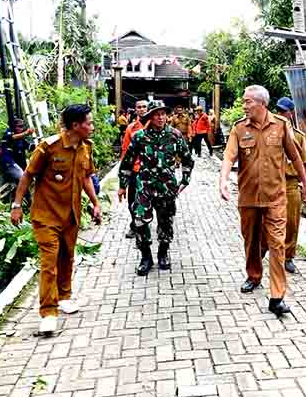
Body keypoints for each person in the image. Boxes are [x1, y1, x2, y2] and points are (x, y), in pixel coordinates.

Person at [219, 85, 306, 317]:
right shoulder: (239, 128)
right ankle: (254, 276)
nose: (244, 105)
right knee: (251, 241)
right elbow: (229, 156)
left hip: (275, 198)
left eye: (248, 101)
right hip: (248, 197)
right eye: (244, 101)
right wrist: (223, 180)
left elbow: (296, 157)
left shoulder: (281, 126)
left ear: (262, 103)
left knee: (277, 244)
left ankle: (277, 296)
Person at [10, 104, 101, 334]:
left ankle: (64, 296)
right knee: (49, 264)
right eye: (89, 123)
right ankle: (48, 312)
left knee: (67, 257)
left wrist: (95, 203)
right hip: (46, 216)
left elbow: (86, 177)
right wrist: (17, 205)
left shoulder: (86, 148)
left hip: (71, 214)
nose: (92, 126)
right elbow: (28, 175)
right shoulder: (48, 147)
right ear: (75, 125)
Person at [118, 100, 194, 276]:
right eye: (156, 114)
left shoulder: (175, 135)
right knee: (140, 221)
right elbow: (127, 162)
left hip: (167, 187)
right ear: (150, 117)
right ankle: (146, 257)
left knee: (165, 222)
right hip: (145, 186)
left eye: (163, 114)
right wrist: (122, 185)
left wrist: (185, 179)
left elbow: (187, 158)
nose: (160, 117)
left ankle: (163, 253)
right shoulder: (139, 137)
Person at [262, 97, 306, 274]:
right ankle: (263, 248)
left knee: (292, 222)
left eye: (284, 111)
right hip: (272, 183)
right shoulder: (268, 134)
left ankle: (288, 256)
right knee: (266, 220)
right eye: (279, 111)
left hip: (291, 183)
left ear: (291, 113)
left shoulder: (298, 136)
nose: (281, 114)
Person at [120, 99, 148, 239]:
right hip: (135, 170)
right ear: (135, 110)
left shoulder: (155, 125)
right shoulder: (131, 128)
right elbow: (125, 150)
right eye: (139, 107)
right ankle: (135, 225)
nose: (142, 109)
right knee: (132, 200)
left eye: (144, 107)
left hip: (152, 171)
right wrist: (123, 175)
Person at [1, 118, 34, 184]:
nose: (21, 128)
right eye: (19, 126)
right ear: (14, 126)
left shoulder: (20, 138)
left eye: (22, 126)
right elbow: (12, 137)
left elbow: (28, 146)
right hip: (9, 163)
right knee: (23, 177)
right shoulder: (8, 133)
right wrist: (26, 133)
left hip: (17, 163)